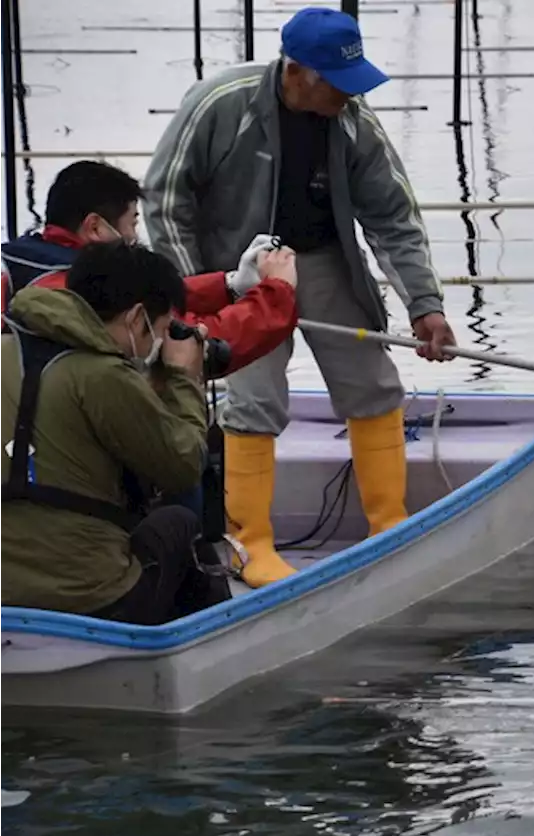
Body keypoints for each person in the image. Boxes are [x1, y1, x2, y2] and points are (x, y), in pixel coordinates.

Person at [142, 7, 458, 589]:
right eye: (339, 83)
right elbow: (164, 201)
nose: (350, 94)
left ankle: (387, 521)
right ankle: (251, 542)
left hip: (323, 257)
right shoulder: (220, 103)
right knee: (253, 398)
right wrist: (190, 295)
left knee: (372, 381)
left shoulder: (353, 121)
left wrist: (425, 303)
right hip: (237, 271)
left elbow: (393, 217)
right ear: (297, 72)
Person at [0, 240, 230, 625]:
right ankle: (194, 654)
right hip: (90, 599)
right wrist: (183, 378)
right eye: (160, 330)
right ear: (137, 317)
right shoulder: (104, 375)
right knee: (180, 522)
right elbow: (184, 464)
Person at [0, 159, 300, 375]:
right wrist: (277, 291)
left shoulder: (28, 260)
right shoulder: (82, 287)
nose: (134, 236)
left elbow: (147, 295)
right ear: (95, 227)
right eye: (132, 222)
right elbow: (196, 340)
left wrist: (229, 285)